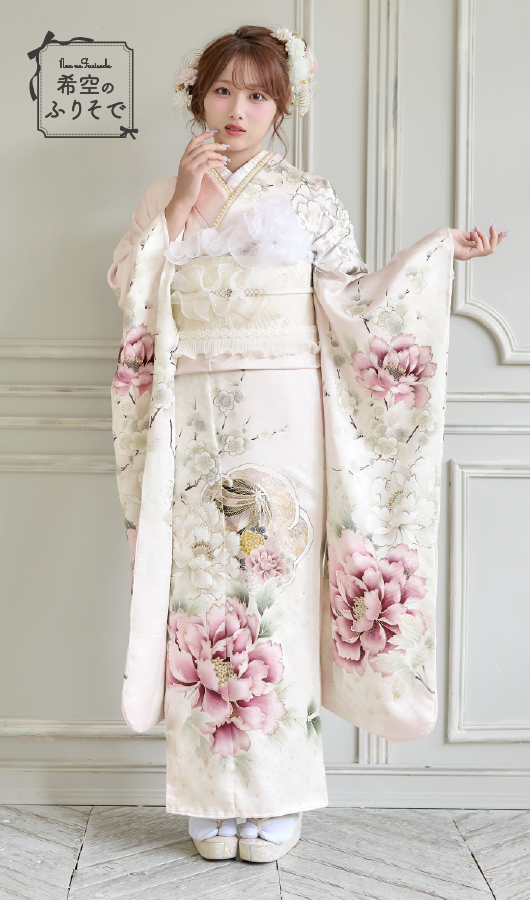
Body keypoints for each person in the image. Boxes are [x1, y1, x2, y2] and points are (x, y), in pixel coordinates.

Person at [106, 24, 506, 863]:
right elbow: (127, 288)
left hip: (285, 415)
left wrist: (436, 255)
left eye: (258, 95)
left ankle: (278, 795)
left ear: (282, 107)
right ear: (197, 97)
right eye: (223, 90)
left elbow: (356, 303)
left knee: (277, 587)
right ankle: (209, 799)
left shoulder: (309, 199)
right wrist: (178, 205)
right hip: (191, 415)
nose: (237, 109)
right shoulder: (164, 193)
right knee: (198, 595)